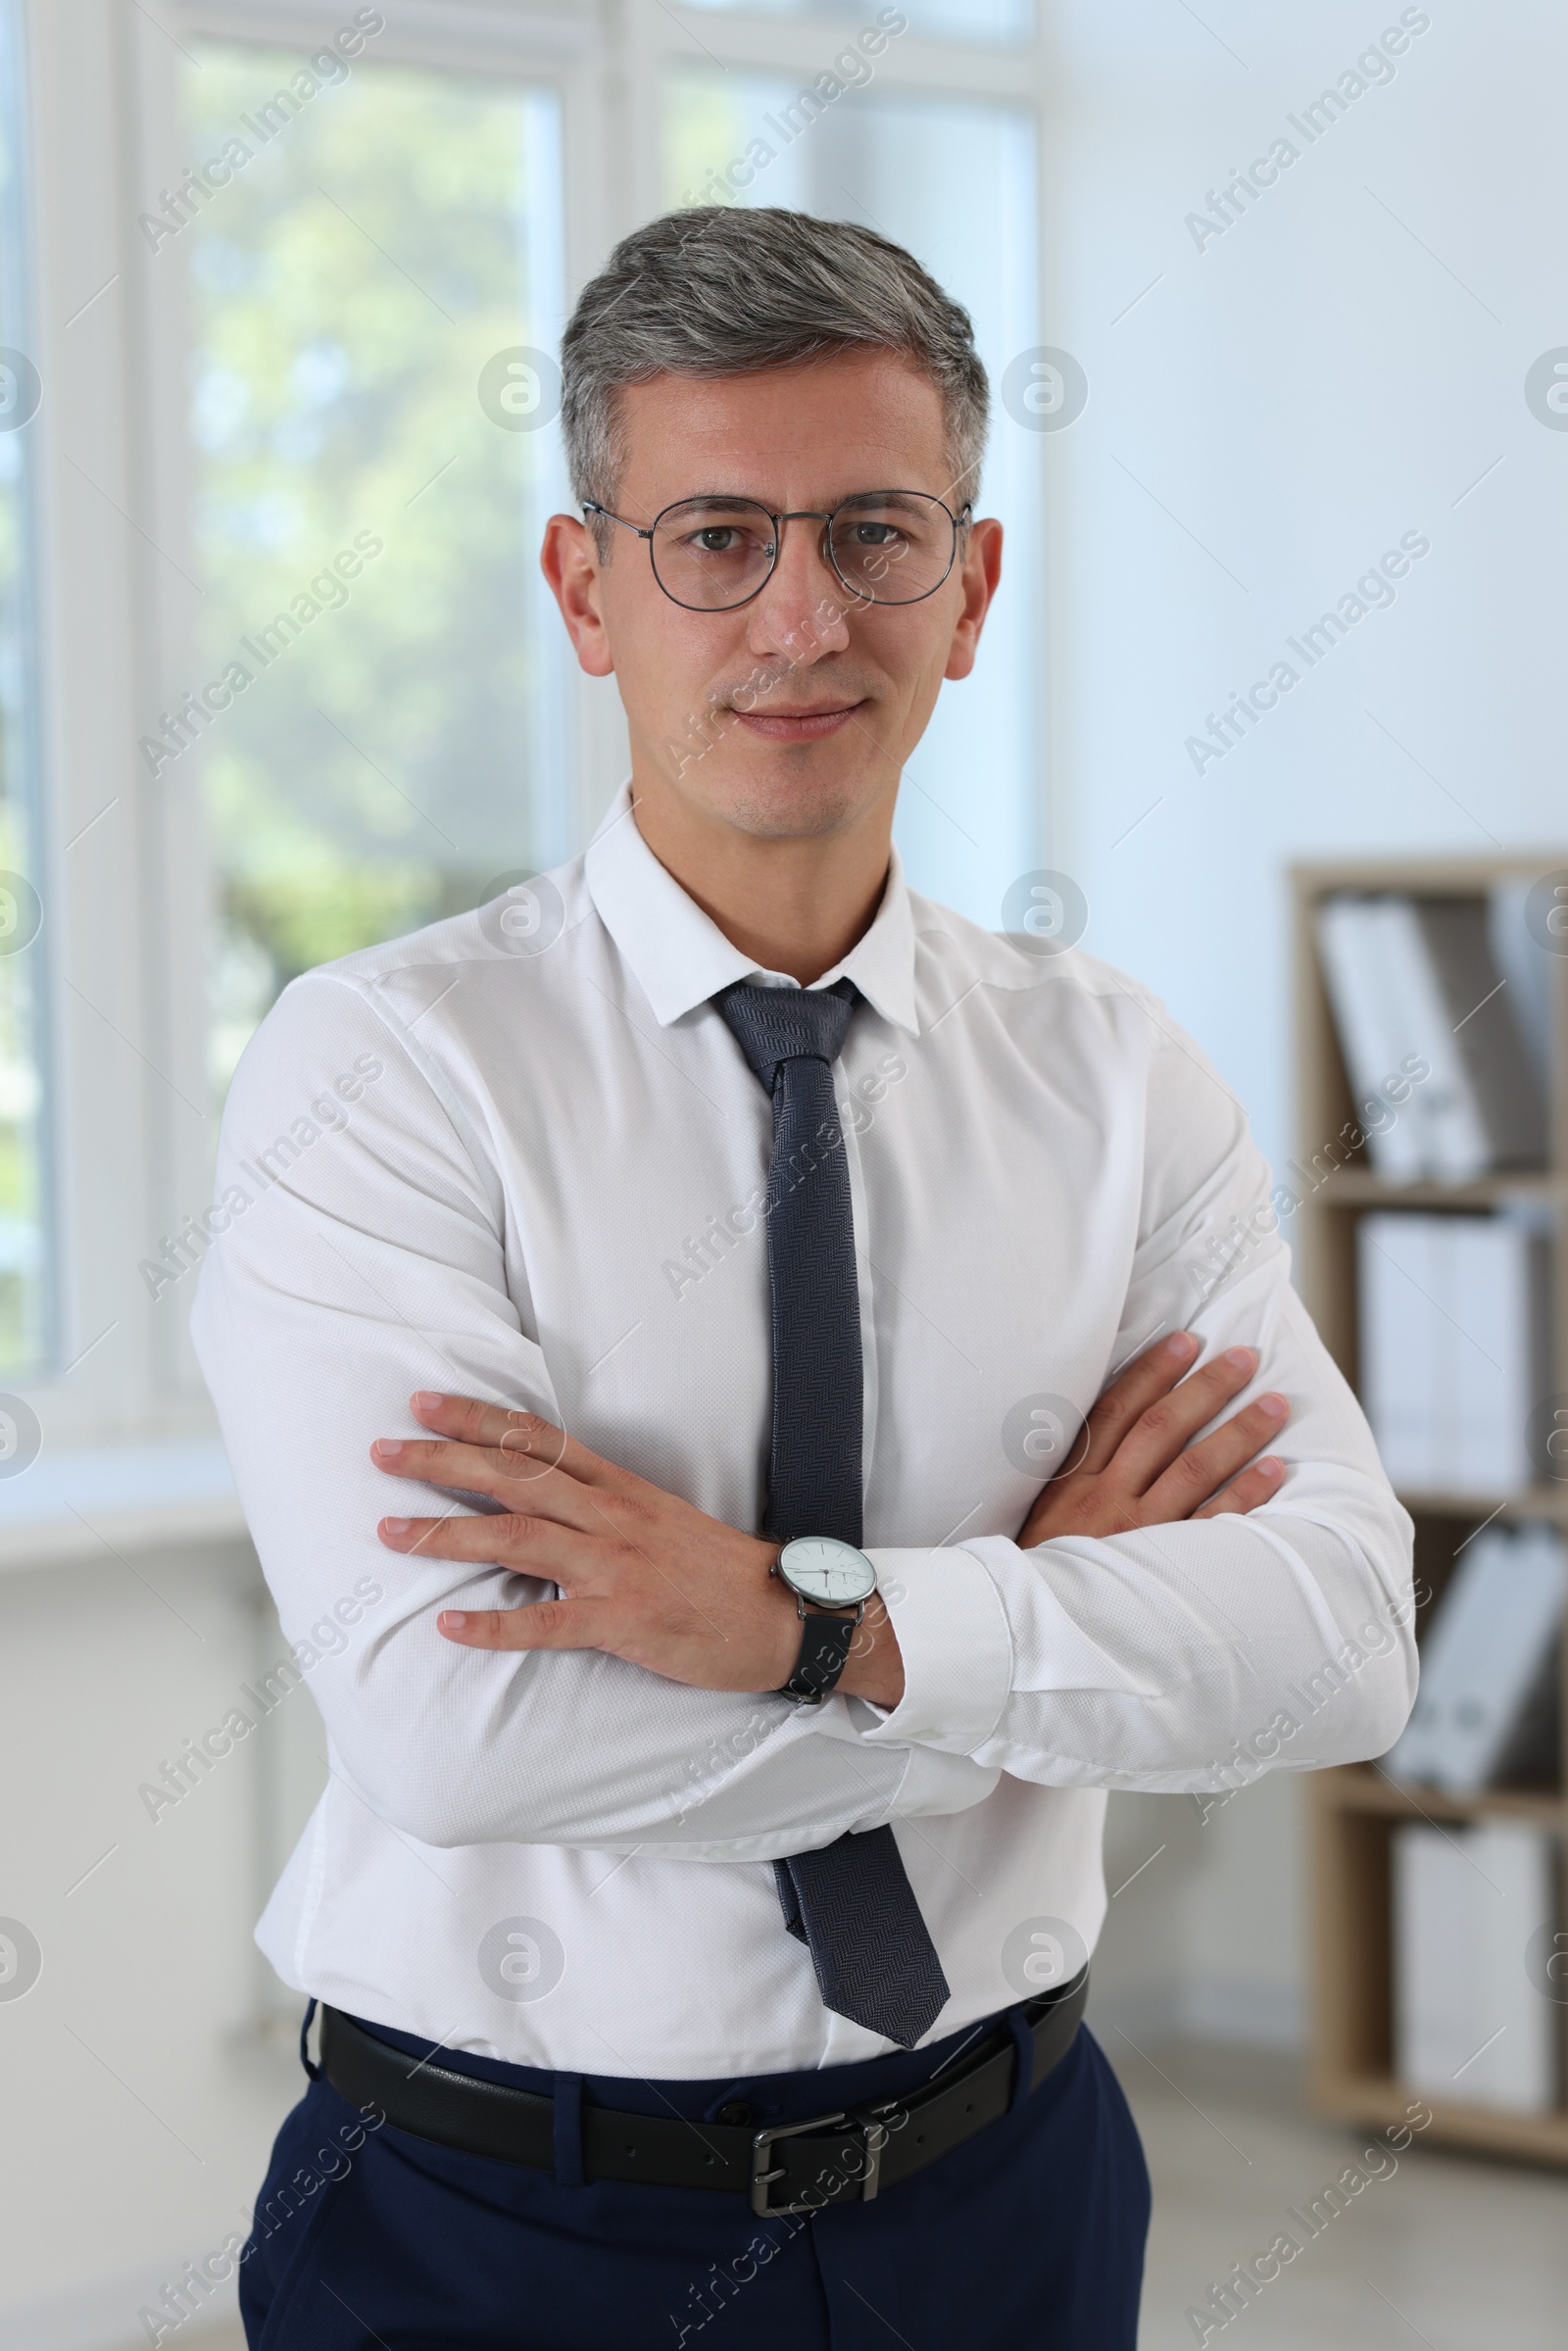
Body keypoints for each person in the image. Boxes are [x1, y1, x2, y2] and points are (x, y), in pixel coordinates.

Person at [191, 205, 1415, 2351]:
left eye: (872, 531)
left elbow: (1332, 1646)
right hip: (500, 2224)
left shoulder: (1112, 1070)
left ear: (971, 581)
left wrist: (790, 1622)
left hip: (1006, 2195)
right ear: (585, 591)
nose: (799, 618)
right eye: (712, 538)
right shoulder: (384, 1068)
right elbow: (461, 1730)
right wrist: (1025, 1650)